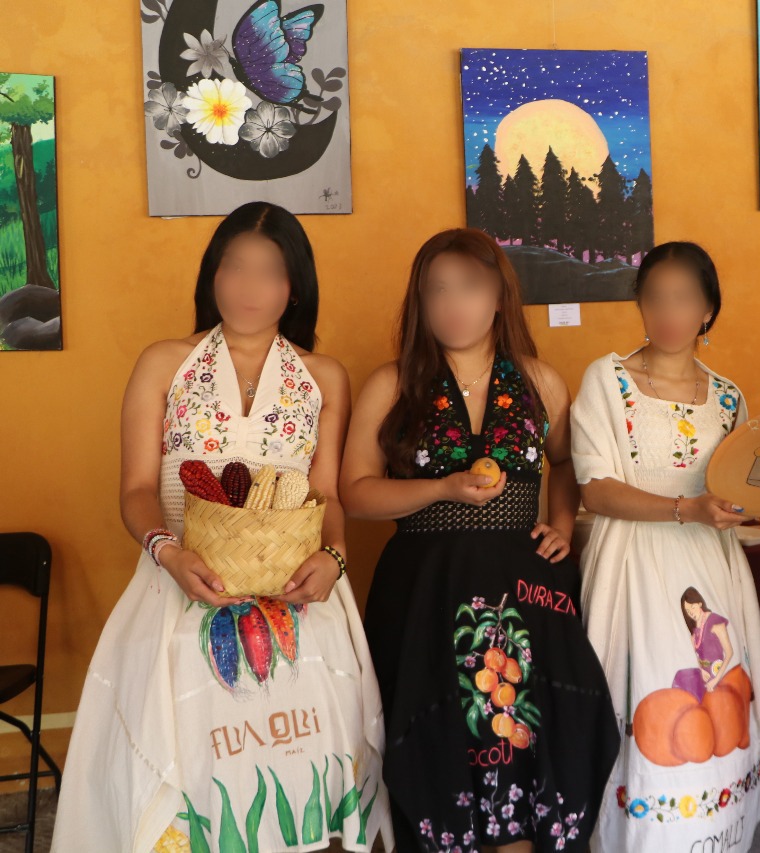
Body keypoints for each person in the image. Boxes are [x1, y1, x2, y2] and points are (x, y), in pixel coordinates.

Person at [52, 202, 391, 852]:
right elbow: (136, 489)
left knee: (304, 771)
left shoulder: (323, 377)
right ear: (212, 275)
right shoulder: (164, 363)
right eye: (234, 267)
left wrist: (336, 558)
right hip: (179, 586)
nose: (248, 287)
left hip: (300, 595)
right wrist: (168, 552)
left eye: (269, 271)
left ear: (295, 287)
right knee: (193, 781)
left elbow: (326, 495)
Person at [340, 228, 618, 853]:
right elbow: (355, 493)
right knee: (435, 752)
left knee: (529, 748)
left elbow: (566, 463)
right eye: (436, 290)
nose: (453, 304)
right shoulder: (393, 383)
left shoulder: (541, 381)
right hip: (424, 598)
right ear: (419, 302)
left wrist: (562, 522)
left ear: (499, 296)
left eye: (469, 287)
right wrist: (441, 488)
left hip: (525, 597)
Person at [571, 241, 760, 852]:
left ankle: (713, 835)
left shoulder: (728, 397)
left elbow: (736, 496)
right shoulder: (608, 380)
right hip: (633, 567)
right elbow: (595, 487)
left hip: (709, 572)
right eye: (656, 297)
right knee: (647, 702)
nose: (668, 312)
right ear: (639, 304)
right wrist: (684, 509)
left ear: (708, 310)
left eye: (684, 298)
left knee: (716, 699)